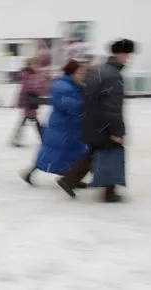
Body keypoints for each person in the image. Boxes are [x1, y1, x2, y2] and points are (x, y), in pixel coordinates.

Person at [57, 39, 135, 202]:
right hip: (104, 124)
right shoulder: (113, 76)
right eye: (127, 54)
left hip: (92, 122)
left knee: (94, 152)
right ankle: (109, 193)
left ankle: (69, 180)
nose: (128, 58)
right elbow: (112, 108)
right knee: (113, 153)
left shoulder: (97, 70)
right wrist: (117, 131)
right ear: (119, 54)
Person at [21, 59, 88, 188]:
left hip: (72, 126)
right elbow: (66, 104)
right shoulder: (62, 85)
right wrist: (85, 104)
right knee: (52, 153)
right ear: (72, 71)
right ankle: (29, 173)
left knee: (74, 153)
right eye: (80, 71)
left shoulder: (74, 84)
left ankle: (72, 178)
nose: (83, 74)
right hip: (62, 126)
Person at [11, 57, 48, 147]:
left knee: (28, 120)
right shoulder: (28, 75)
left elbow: (41, 87)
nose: (37, 66)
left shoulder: (33, 75)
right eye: (34, 65)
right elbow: (26, 89)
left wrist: (44, 88)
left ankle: (16, 139)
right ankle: (44, 139)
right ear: (29, 66)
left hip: (31, 101)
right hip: (29, 101)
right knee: (34, 121)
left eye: (37, 65)